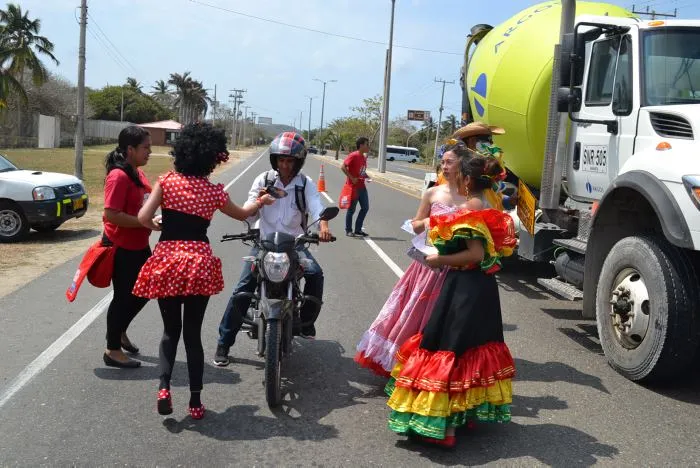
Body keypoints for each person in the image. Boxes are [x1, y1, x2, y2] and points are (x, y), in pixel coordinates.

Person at [132, 122, 276, 420]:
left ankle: (163, 388)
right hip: (198, 263)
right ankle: (195, 401)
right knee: (193, 334)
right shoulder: (214, 192)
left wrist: (159, 224)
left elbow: (143, 218)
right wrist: (260, 200)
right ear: (212, 158)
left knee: (170, 331)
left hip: (168, 261)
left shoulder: (167, 182)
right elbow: (244, 214)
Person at [385, 153, 517, 448]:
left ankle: (445, 427)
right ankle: (463, 414)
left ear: (468, 179)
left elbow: (475, 255)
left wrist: (438, 258)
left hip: (464, 285)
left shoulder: (471, 206)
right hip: (480, 287)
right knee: (469, 349)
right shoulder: (489, 203)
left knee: (447, 346)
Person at [354, 143, 479, 377]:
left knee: (440, 320)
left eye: (449, 162)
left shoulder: (472, 200)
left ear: (463, 165)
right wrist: (430, 223)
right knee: (413, 313)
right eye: (443, 162)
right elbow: (415, 224)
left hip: (453, 269)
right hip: (426, 266)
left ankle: (431, 371)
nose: (444, 166)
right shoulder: (433, 192)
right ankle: (405, 365)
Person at [214, 132, 333, 367]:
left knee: (315, 274)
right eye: (281, 160)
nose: (285, 165)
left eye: (290, 161)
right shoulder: (264, 179)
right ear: (274, 160)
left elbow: (317, 207)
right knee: (242, 289)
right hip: (264, 244)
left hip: (295, 245)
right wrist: (258, 202)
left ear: (298, 162)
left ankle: (306, 321)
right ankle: (224, 343)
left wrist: (324, 226)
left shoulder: (305, 184)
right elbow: (249, 209)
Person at [101, 126, 153, 369]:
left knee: (146, 290)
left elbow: (147, 201)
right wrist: (142, 222)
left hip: (139, 244)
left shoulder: (137, 173)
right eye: (145, 148)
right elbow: (111, 214)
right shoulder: (118, 176)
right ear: (130, 149)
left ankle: (120, 330)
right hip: (121, 247)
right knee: (123, 298)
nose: (150, 152)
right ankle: (112, 350)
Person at [341, 137, 371, 237]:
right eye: (367, 144)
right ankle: (348, 230)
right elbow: (343, 167)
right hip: (353, 187)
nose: (368, 146)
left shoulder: (363, 157)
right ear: (361, 145)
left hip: (362, 187)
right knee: (351, 210)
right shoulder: (353, 155)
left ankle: (358, 229)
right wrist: (352, 178)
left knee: (365, 208)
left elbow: (362, 171)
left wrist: (367, 177)